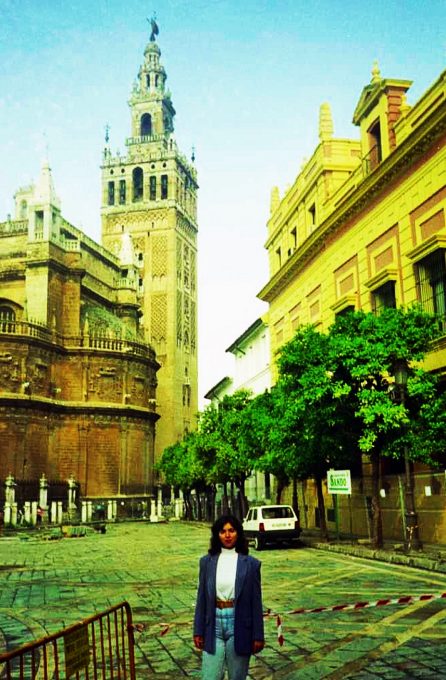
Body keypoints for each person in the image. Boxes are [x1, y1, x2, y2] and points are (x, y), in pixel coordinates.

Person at [193, 514, 264, 680]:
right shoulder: (207, 562)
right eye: (223, 531)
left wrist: (258, 635)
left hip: (239, 623)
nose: (227, 535)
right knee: (210, 676)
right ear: (217, 535)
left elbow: (256, 602)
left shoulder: (251, 565)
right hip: (213, 624)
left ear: (238, 533)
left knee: (237, 676)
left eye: (231, 530)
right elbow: (201, 598)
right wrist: (198, 630)